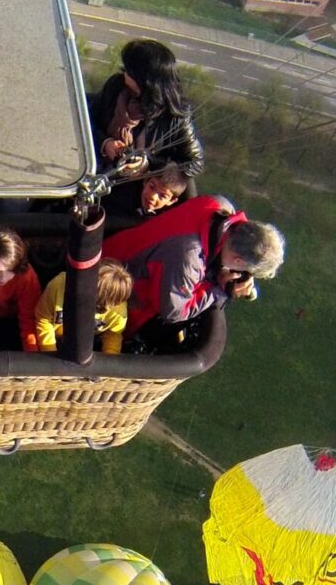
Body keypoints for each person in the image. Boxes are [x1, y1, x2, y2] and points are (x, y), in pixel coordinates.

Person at [104, 195, 285, 353]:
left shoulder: (219, 205)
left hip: (115, 249)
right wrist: (219, 291)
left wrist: (220, 269)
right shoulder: (189, 261)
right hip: (112, 291)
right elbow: (174, 312)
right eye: (246, 271)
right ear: (238, 261)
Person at [91, 39, 205, 183]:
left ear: (143, 79)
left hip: (137, 185)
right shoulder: (116, 86)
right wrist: (105, 143)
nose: (124, 73)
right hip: (96, 169)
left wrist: (148, 164)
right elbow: (88, 119)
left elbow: (195, 163)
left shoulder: (176, 116)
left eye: (128, 71)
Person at [29, 261, 133, 355]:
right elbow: (44, 319)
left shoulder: (119, 313)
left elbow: (113, 335)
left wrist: (109, 361)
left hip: (88, 344)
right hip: (54, 338)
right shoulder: (58, 286)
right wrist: (50, 353)